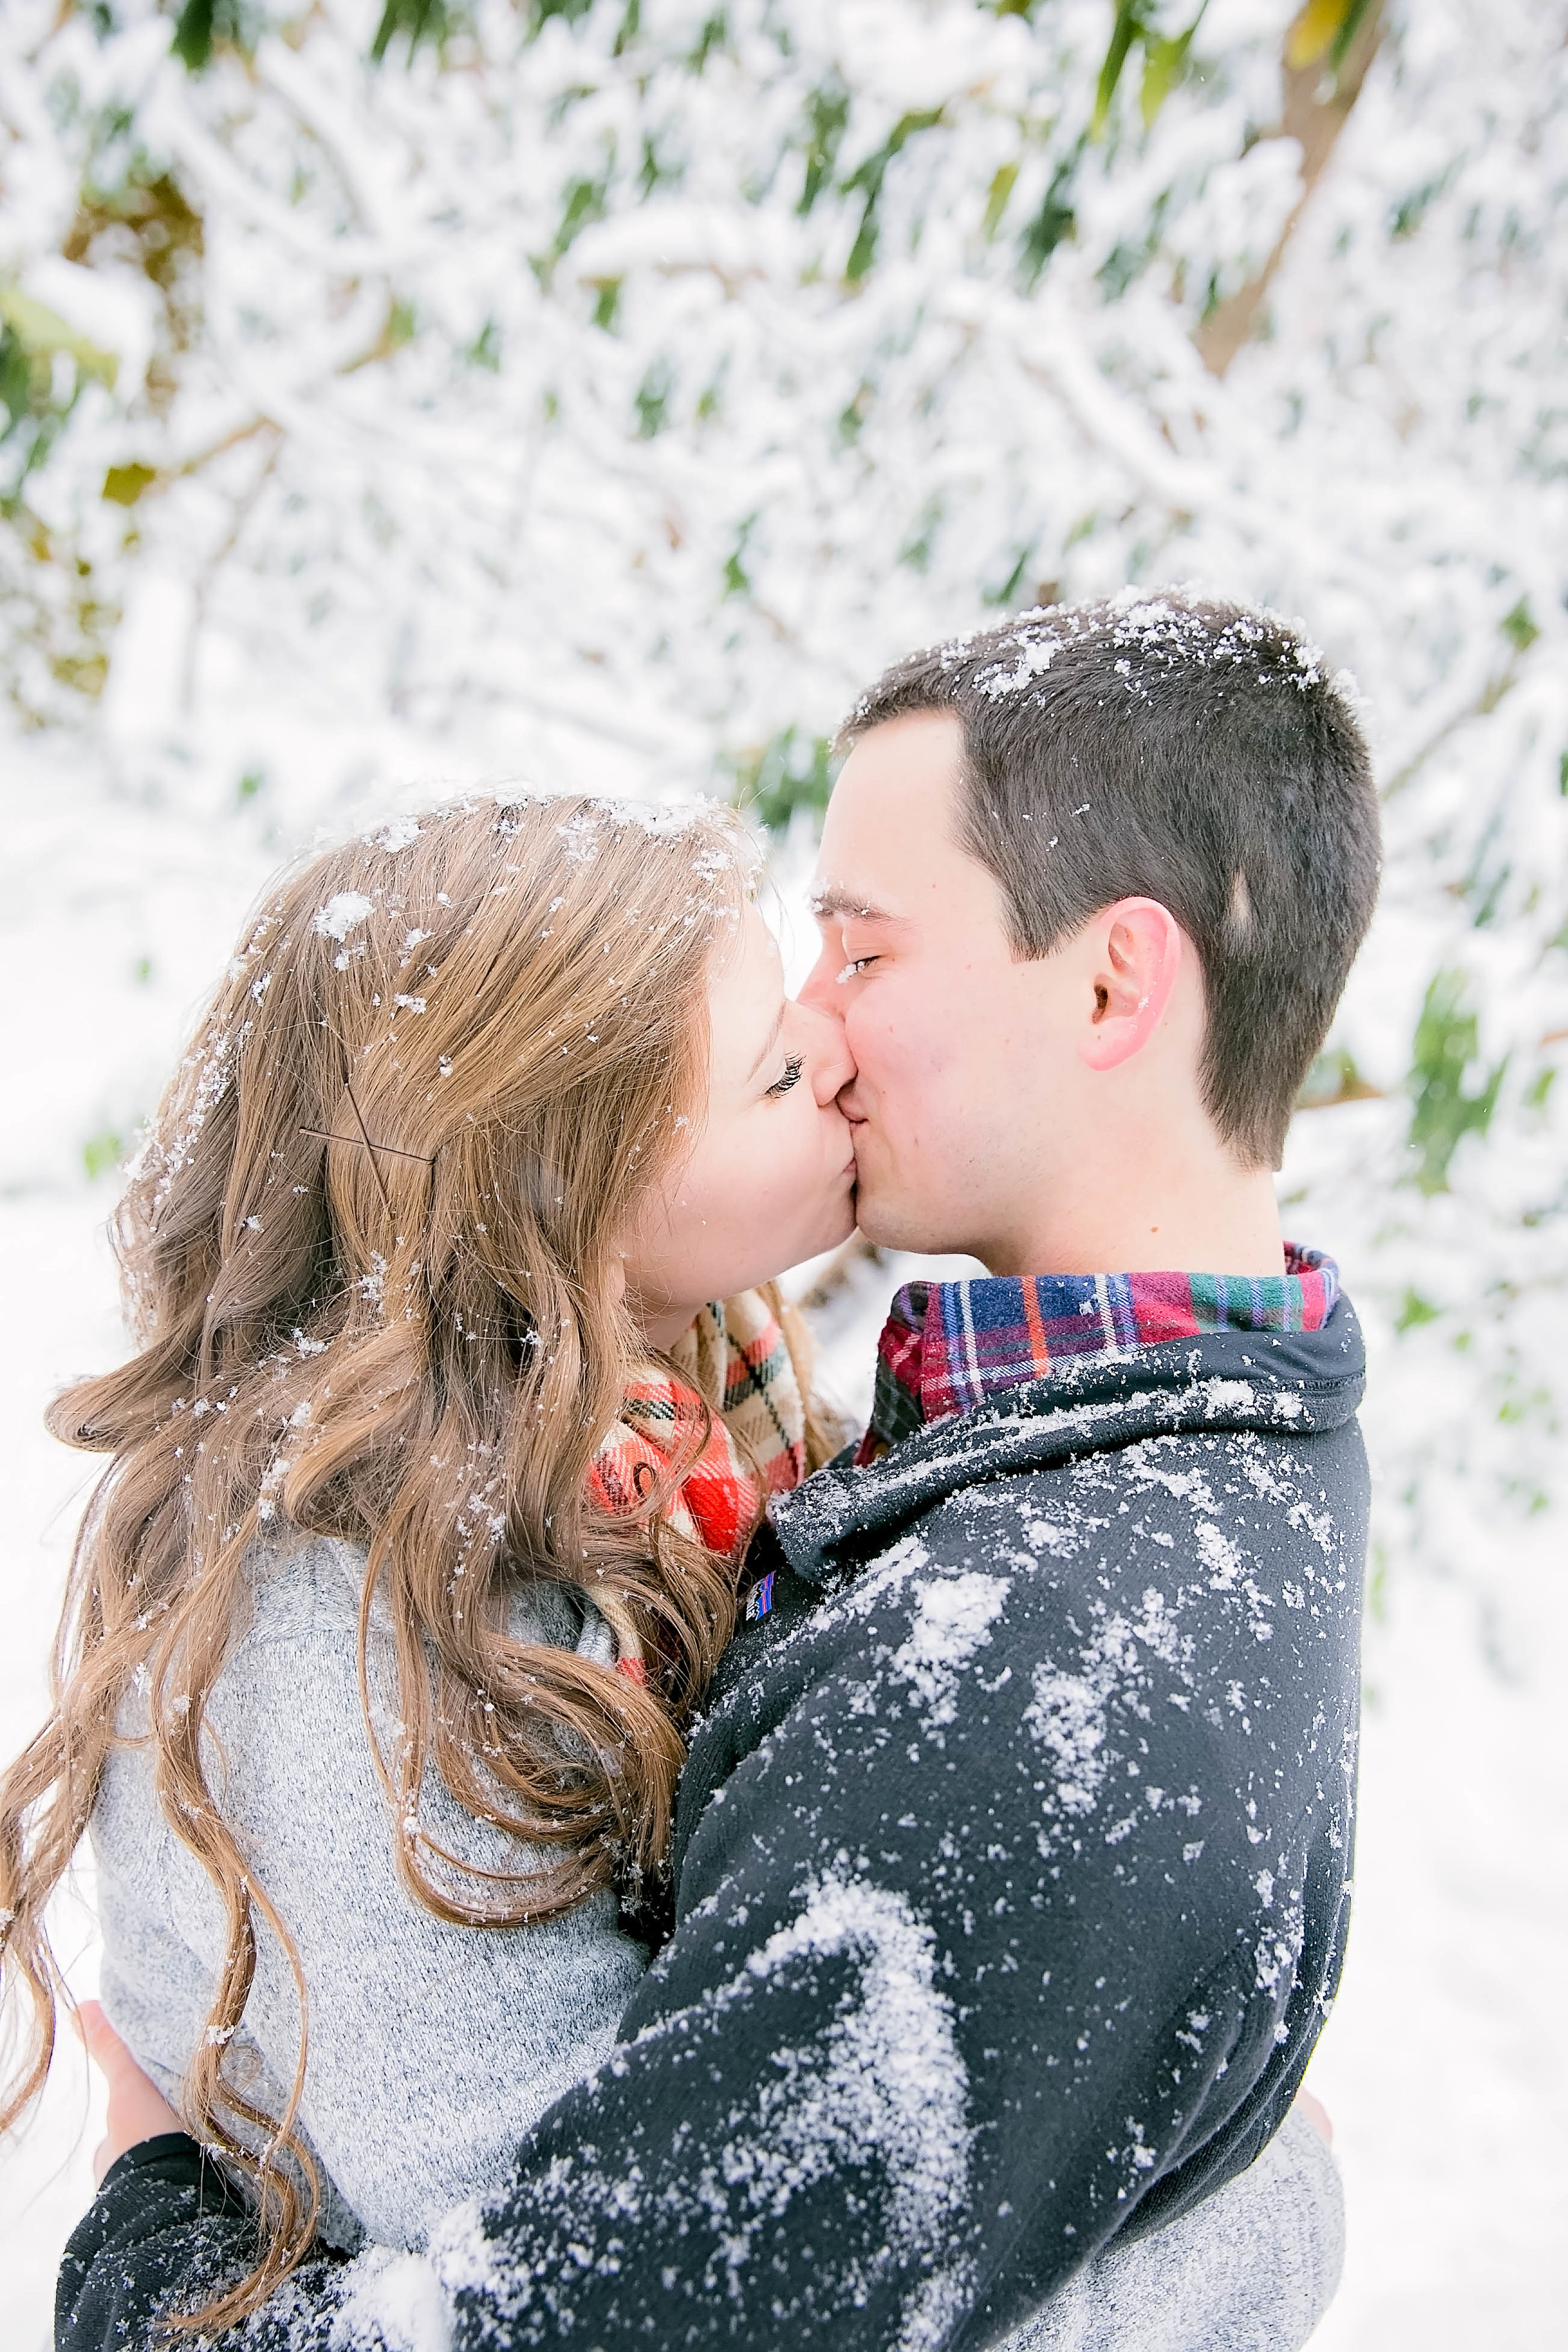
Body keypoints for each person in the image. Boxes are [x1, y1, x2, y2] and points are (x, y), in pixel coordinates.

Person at [53, 592, 1378, 2352]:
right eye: (776, 1045)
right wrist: (1264, 2211)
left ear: (1115, 976)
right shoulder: (401, 1595)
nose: (825, 1034)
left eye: (864, 953)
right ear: (561, 1193)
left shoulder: (998, 1631)